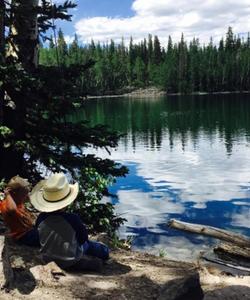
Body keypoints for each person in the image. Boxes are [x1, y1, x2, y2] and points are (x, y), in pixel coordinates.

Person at [30, 172, 109, 270]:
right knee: (100, 248)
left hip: (47, 258)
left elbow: (40, 236)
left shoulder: (41, 218)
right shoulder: (72, 218)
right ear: (66, 203)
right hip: (71, 258)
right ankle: (96, 256)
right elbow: (83, 238)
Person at [0, 176, 40, 247]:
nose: (26, 196)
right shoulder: (8, 205)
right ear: (14, 193)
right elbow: (12, 209)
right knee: (44, 236)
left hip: (29, 230)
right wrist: (8, 195)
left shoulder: (18, 200)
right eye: (24, 195)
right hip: (23, 236)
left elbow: (28, 198)